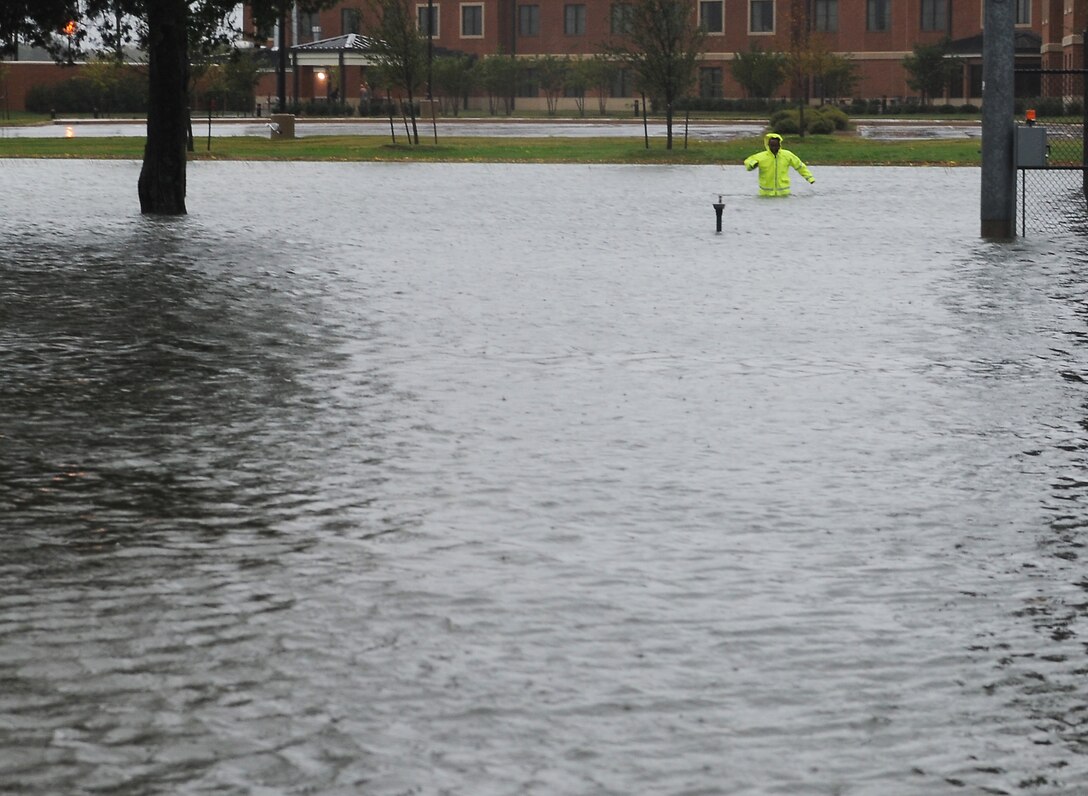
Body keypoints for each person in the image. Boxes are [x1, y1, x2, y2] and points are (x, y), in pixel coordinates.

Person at [744, 132, 815, 197]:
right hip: (765, 195)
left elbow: (800, 166)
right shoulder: (761, 157)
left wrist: (810, 178)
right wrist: (752, 164)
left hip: (784, 194)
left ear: (779, 144)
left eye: (776, 145)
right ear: (768, 145)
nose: (774, 148)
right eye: (772, 146)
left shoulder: (787, 155)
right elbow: (748, 163)